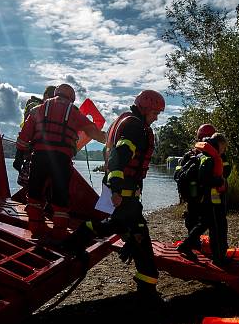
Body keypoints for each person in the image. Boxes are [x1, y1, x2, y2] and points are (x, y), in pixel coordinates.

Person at [64, 90, 167, 303]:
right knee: (130, 231)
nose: (156, 117)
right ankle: (147, 287)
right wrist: (117, 189)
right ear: (146, 108)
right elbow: (118, 157)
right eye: (156, 113)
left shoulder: (127, 122)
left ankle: (146, 283)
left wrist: (115, 186)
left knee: (124, 228)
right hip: (123, 192)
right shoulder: (135, 127)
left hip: (123, 190)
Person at [13, 83, 105, 241]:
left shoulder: (38, 109)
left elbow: (24, 135)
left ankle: (36, 228)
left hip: (39, 157)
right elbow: (93, 132)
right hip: (61, 160)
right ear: (71, 98)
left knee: (35, 194)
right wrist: (109, 140)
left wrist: (19, 156)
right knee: (60, 197)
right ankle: (59, 232)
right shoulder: (73, 112)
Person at [176, 133, 230, 266]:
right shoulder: (209, 158)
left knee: (204, 224)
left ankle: (186, 245)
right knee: (216, 228)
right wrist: (219, 181)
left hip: (207, 200)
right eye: (224, 147)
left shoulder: (205, 155)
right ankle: (218, 258)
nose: (224, 150)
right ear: (219, 144)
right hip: (210, 200)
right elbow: (204, 179)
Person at [180, 123, 217, 237]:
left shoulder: (215, 156)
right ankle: (193, 243)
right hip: (197, 194)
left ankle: (193, 242)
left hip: (206, 194)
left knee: (209, 220)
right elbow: (181, 175)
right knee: (197, 219)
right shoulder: (192, 156)